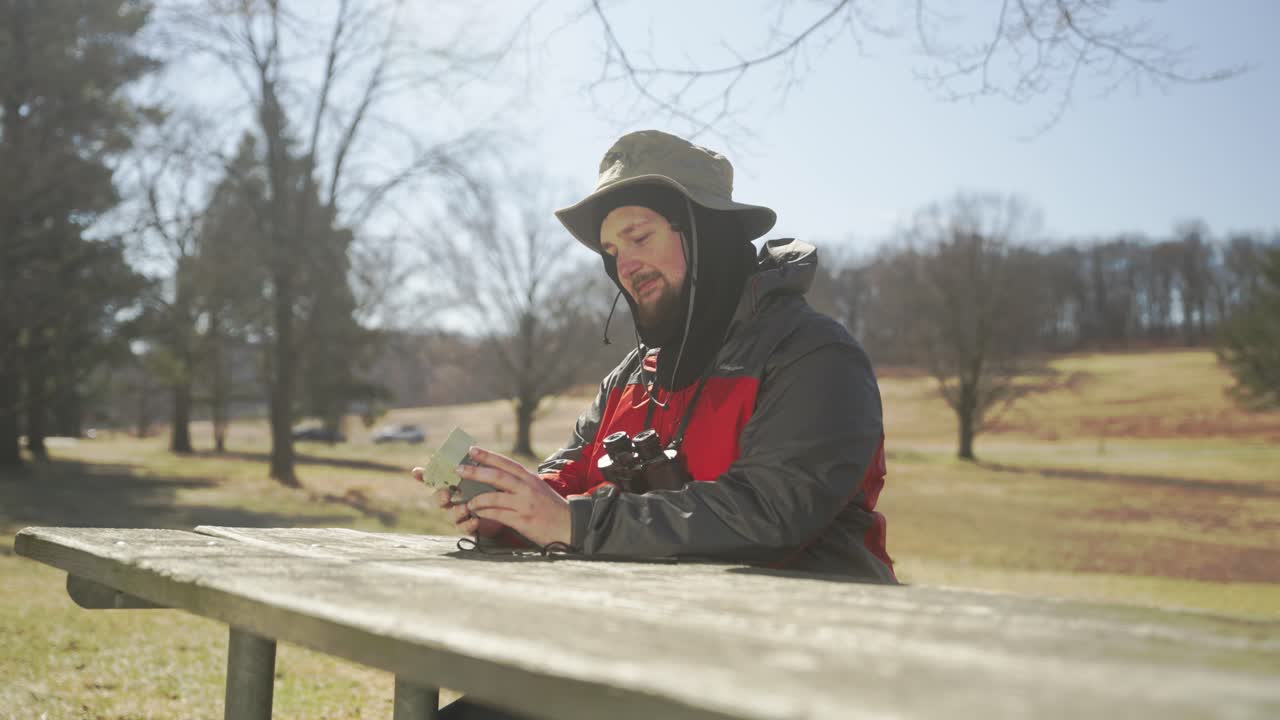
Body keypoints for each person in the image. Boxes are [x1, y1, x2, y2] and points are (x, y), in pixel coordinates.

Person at [414, 129, 893, 581]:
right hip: (662, 639)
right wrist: (502, 507)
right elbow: (566, 486)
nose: (624, 266)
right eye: (611, 250)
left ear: (706, 233)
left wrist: (573, 523)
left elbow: (768, 515)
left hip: (819, 646)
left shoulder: (812, 355)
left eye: (639, 237)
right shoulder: (630, 378)